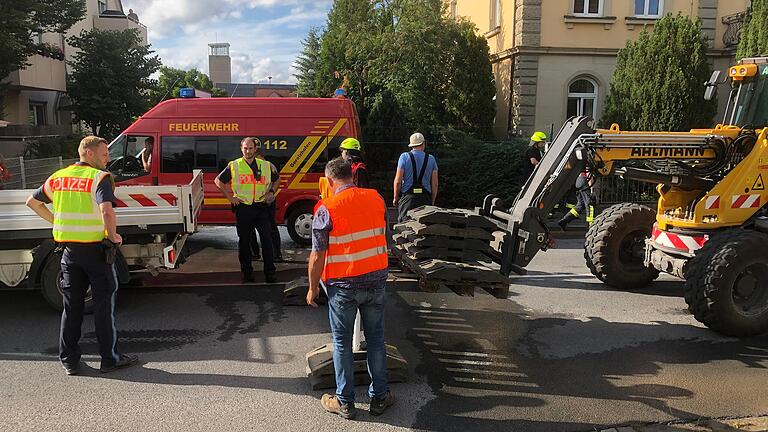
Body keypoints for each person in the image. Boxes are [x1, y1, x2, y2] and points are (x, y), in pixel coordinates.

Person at [25, 135, 139, 375]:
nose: (108, 159)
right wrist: (113, 236)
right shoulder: (99, 177)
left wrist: (56, 221)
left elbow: (32, 202)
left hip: (68, 253)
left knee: (72, 307)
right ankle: (110, 359)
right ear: (89, 153)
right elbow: (106, 210)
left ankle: (69, 361)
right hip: (97, 252)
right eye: (104, 154)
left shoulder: (59, 177)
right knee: (103, 307)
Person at [306, 157, 395, 420]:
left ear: (329, 181)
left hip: (344, 286)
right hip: (376, 281)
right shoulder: (376, 198)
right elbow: (382, 232)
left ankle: (345, 402)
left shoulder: (326, 208)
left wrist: (313, 288)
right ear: (353, 176)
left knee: (342, 344)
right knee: (376, 340)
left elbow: (317, 255)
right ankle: (381, 396)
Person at [214, 137, 277, 283]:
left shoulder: (265, 165)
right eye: (245, 148)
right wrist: (230, 198)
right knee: (244, 242)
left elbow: (276, 179)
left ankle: (270, 272)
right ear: (241, 149)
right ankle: (247, 273)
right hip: (243, 208)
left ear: (255, 149)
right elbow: (218, 181)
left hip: (261, 207)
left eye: (250, 148)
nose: (248, 151)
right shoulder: (234, 165)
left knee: (267, 240)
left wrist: (271, 193)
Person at [392, 132, 438, 223]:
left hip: (408, 199)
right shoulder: (431, 159)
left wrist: (395, 197)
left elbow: (398, 181)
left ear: (411, 145)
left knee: (404, 228)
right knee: (424, 228)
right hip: (425, 199)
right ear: (423, 143)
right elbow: (435, 184)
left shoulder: (404, 157)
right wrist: (432, 201)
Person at [250, 145, 283, 262]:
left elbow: (277, 179)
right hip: (252, 202)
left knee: (270, 228)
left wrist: (271, 192)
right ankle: (254, 253)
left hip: (266, 203)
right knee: (251, 229)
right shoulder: (249, 166)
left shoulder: (268, 166)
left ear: (259, 155)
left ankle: (276, 253)